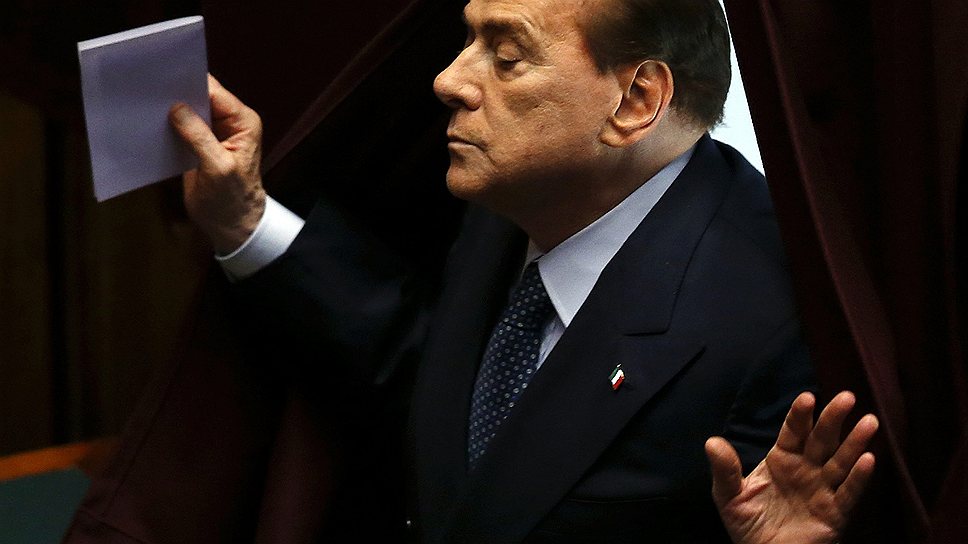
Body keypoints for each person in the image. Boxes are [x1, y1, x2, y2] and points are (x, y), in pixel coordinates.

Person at [168, 0, 878, 541]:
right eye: (468, 41)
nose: (448, 80)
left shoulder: (775, 316)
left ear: (635, 102)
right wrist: (246, 221)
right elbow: (450, 395)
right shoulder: (519, 196)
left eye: (506, 56)